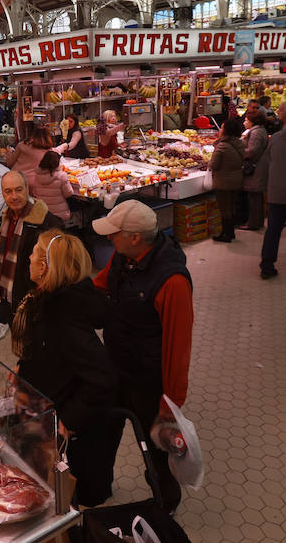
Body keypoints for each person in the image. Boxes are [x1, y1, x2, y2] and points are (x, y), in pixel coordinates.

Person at [92, 200, 193, 513]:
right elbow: (99, 287)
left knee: (153, 448)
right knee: (104, 431)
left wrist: (171, 402)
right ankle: (97, 488)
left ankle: (166, 502)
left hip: (147, 381)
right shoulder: (123, 258)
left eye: (114, 233)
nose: (109, 239)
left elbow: (178, 346)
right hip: (116, 363)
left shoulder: (172, 281)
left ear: (134, 237)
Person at [10, 230, 118, 507]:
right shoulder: (48, 300)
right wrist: (24, 367)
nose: (29, 257)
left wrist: (67, 420)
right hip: (48, 409)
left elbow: (103, 378)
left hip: (75, 434)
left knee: (70, 503)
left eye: (34, 252)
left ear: (44, 267)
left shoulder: (63, 314)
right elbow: (50, 352)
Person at [0, 170, 63, 340]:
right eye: (8, 191)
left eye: (18, 190)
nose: (14, 196)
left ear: (27, 189)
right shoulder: (6, 216)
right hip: (9, 295)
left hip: (33, 301)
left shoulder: (47, 223)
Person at [259, 101, 286, 279]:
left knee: (273, 232)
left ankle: (267, 267)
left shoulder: (275, 138)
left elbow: (269, 161)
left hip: (276, 192)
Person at [209, 118, 245, 243]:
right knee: (231, 206)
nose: (220, 130)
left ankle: (226, 234)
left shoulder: (222, 146)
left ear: (226, 131)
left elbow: (213, 165)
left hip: (223, 181)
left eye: (222, 127)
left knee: (225, 208)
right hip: (236, 179)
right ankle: (231, 232)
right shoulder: (239, 143)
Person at [240, 108, 269, 231]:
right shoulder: (259, 130)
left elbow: (252, 151)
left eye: (246, 120)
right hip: (259, 166)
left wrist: (239, 152)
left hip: (256, 168)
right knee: (256, 196)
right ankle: (257, 221)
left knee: (254, 197)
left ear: (253, 121)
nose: (244, 122)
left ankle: (253, 223)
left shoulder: (256, 132)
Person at [32, 151, 74, 221]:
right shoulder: (62, 176)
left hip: (43, 214)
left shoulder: (37, 176)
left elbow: (35, 193)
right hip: (60, 215)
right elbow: (69, 194)